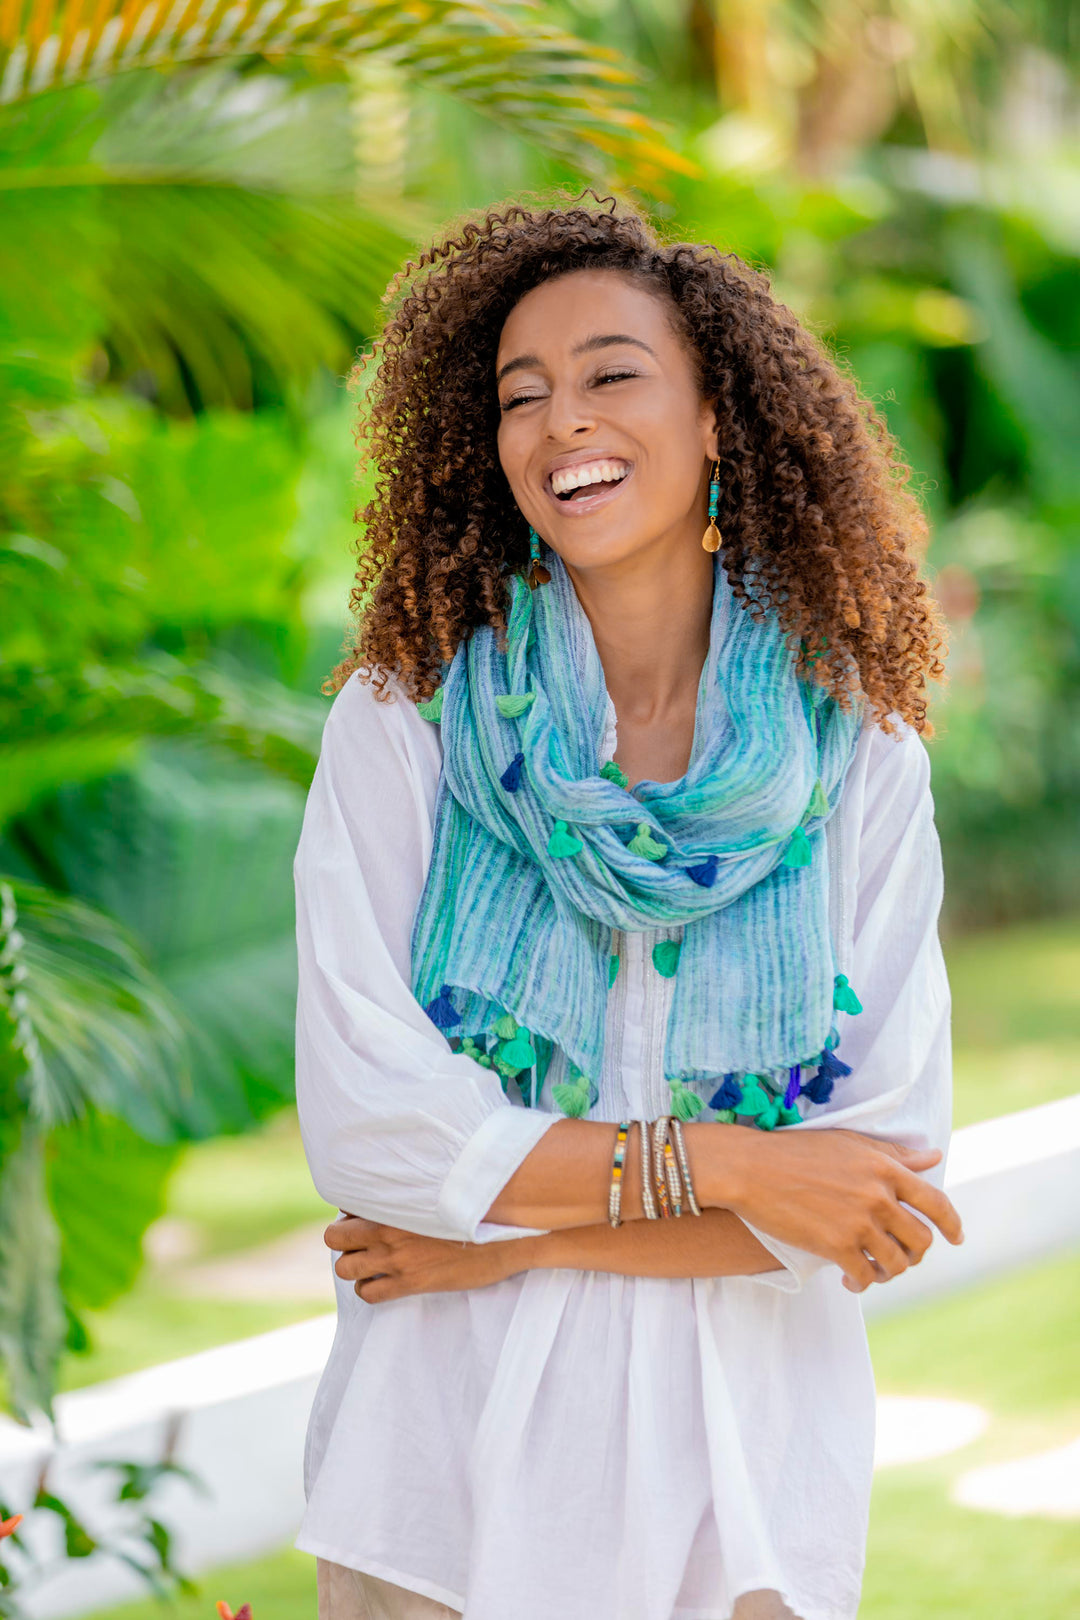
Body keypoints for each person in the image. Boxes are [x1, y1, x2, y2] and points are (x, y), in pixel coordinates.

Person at [292, 193, 963, 1620]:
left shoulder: (861, 757)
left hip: (745, 1492)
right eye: (520, 397)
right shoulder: (402, 729)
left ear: (717, 417)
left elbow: (872, 1184)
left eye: (610, 375)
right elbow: (375, 1132)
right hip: (441, 1479)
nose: (559, 423)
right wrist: (738, 1167)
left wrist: (511, 1236)